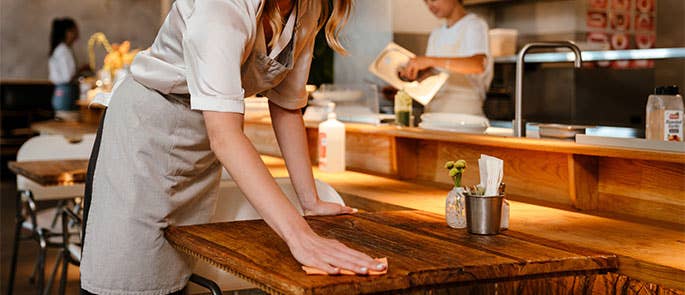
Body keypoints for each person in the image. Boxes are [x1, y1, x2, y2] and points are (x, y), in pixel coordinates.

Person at [80, 0, 386, 294]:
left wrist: (310, 202)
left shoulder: (308, 6)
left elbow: (287, 106)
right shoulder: (222, 4)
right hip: (143, 137)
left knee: (176, 276)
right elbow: (225, 137)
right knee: (127, 278)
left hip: (200, 140)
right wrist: (301, 237)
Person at [400, 0, 493, 116]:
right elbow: (433, 75)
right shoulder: (436, 33)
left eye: (433, 0)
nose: (430, 6)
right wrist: (404, 86)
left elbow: (477, 65)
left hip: (464, 115)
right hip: (432, 114)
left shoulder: (474, 25)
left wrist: (430, 60)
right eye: (426, 2)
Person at [48, 17, 80, 120]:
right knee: (67, 121)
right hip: (66, 93)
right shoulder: (63, 50)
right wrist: (83, 69)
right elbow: (68, 77)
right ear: (68, 32)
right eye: (75, 30)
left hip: (60, 92)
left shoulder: (61, 49)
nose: (77, 34)